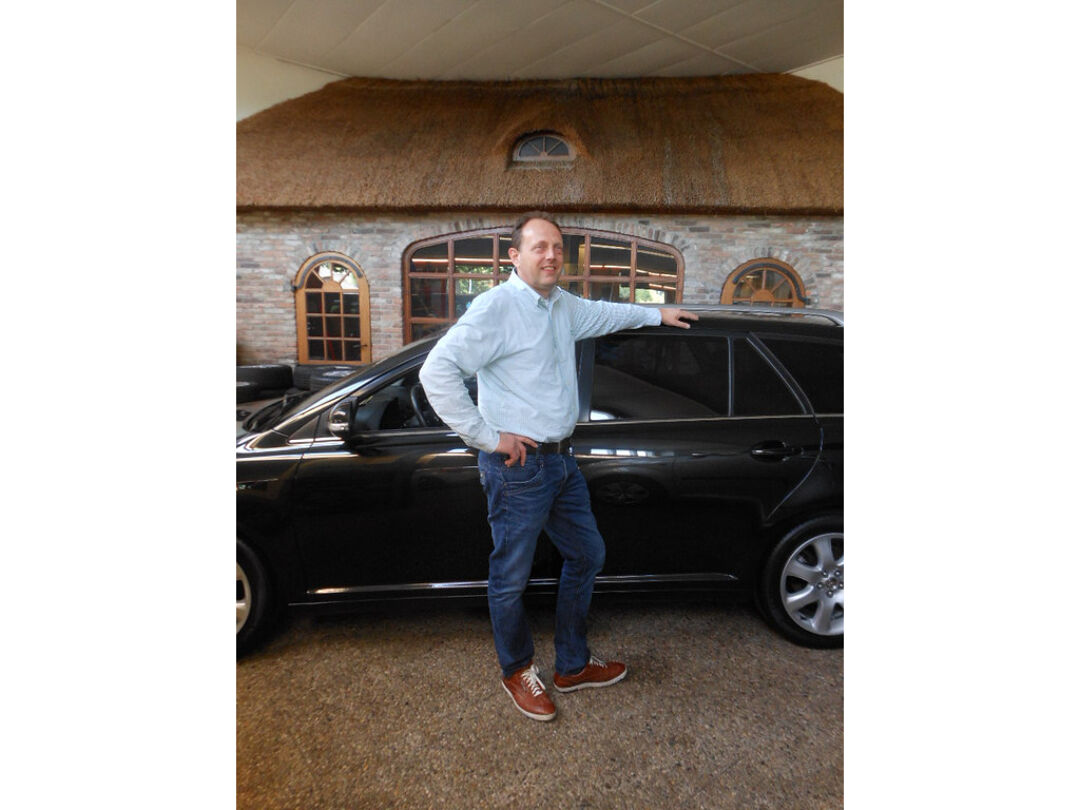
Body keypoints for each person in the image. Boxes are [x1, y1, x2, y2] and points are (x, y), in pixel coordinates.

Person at [419, 212, 698, 721]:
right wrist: (488, 437)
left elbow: (606, 314)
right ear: (514, 256)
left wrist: (656, 314)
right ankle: (516, 669)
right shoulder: (496, 307)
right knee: (510, 577)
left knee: (587, 555)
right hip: (517, 467)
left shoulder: (562, 305)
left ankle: (571, 665)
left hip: (561, 462)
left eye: (557, 247)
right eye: (539, 247)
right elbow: (436, 370)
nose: (551, 256)